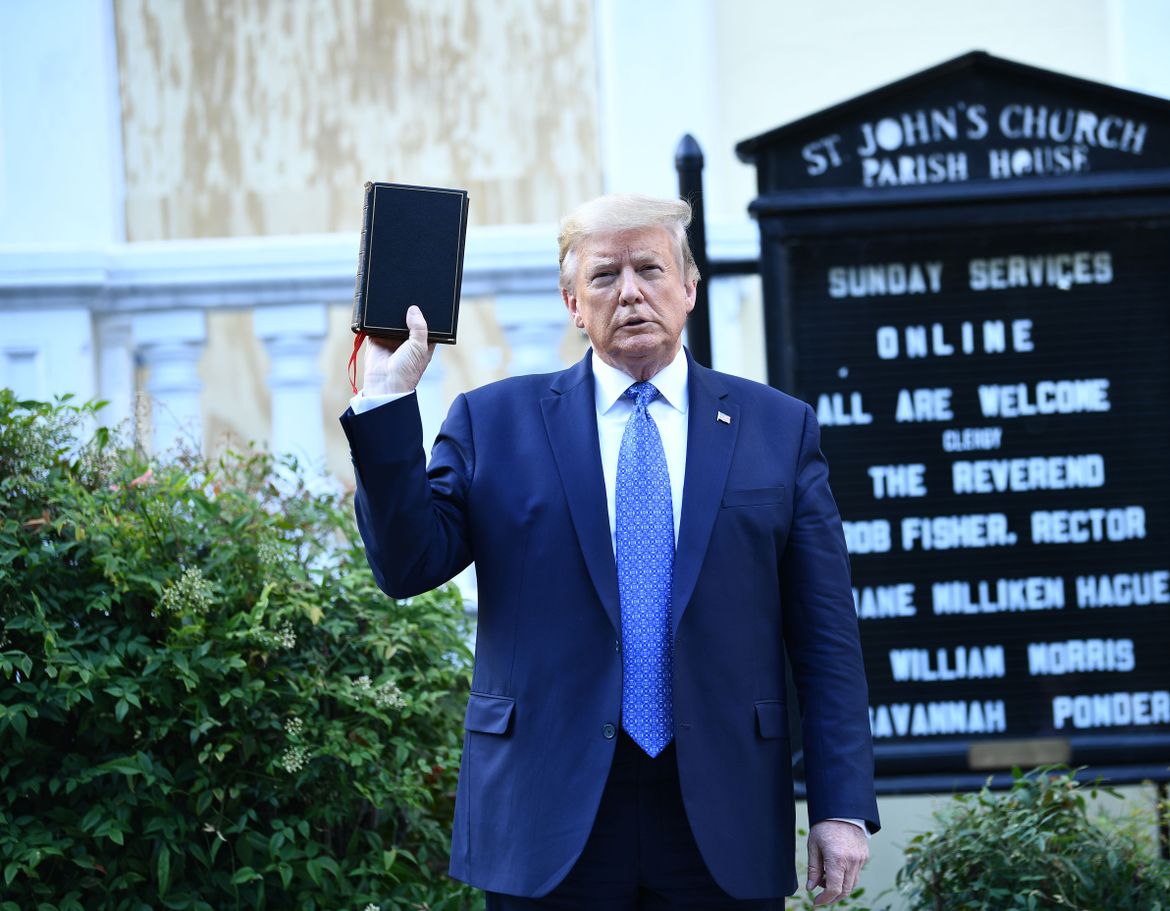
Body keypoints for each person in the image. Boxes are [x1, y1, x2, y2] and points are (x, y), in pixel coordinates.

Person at [340, 194, 879, 910]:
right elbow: (407, 565)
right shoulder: (493, 422)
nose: (629, 291)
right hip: (546, 814)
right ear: (572, 301)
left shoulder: (778, 429)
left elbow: (826, 638)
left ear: (688, 286)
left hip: (722, 811)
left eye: (650, 268)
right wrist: (387, 399)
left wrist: (841, 804)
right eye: (604, 276)